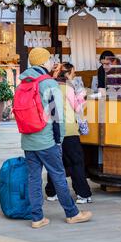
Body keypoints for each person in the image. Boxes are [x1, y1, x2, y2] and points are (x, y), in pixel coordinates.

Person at [20, 48, 92, 229]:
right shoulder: (48, 84)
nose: (52, 61)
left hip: (28, 139)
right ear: (43, 62)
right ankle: (72, 213)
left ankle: (37, 218)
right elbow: (56, 116)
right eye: (49, 59)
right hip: (46, 139)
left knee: (34, 178)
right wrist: (58, 139)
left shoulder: (23, 82)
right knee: (59, 176)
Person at [45, 62, 93, 204]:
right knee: (76, 162)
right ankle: (82, 194)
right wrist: (82, 96)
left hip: (52, 130)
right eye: (73, 73)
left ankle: (52, 192)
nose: (74, 75)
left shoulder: (49, 87)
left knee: (55, 162)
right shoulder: (68, 88)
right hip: (69, 129)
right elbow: (78, 108)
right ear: (67, 74)